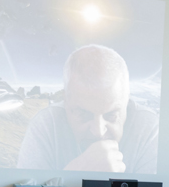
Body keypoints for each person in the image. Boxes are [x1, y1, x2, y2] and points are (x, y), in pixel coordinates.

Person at [16, 45, 159, 175]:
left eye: (111, 115)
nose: (98, 132)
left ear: (127, 102)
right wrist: (75, 175)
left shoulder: (149, 128)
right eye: (83, 114)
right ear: (66, 101)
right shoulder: (46, 125)